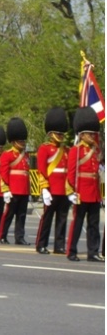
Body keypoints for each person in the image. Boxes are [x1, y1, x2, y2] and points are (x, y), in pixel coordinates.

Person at [66, 107, 104, 262]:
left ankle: (92, 252)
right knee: (77, 223)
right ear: (81, 135)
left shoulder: (95, 151)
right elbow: (71, 172)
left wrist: (102, 193)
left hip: (94, 193)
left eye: (93, 133)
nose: (92, 136)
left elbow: (98, 174)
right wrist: (71, 191)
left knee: (94, 225)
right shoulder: (76, 151)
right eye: (89, 134)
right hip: (81, 192)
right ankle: (71, 251)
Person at [35, 107, 70, 255]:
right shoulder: (44, 149)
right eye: (58, 133)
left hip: (64, 189)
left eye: (62, 133)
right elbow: (41, 170)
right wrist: (44, 189)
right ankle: (41, 244)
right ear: (50, 134)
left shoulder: (66, 150)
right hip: (51, 189)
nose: (60, 136)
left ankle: (59, 245)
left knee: (62, 219)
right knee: (47, 219)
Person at [0, 117, 31, 245]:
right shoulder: (8, 154)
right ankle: (2, 235)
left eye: (23, 140)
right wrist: (6, 190)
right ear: (13, 141)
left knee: (21, 216)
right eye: (20, 140)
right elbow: (4, 173)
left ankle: (19, 237)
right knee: (9, 215)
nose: (22, 142)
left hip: (23, 190)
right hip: (13, 189)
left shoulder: (26, 155)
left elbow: (26, 173)